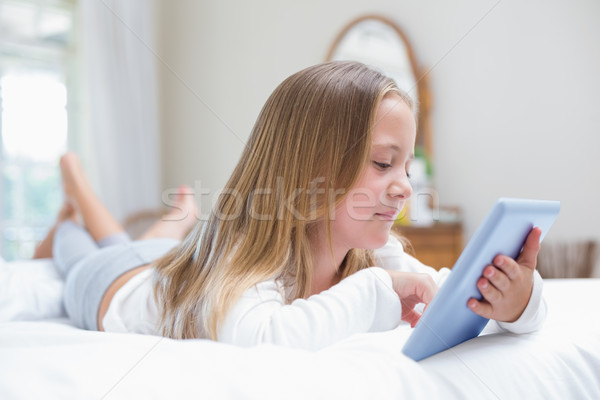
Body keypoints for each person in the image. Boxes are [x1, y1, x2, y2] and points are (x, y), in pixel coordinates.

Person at [39, 61, 546, 350]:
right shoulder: (247, 251)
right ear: (312, 173)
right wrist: (379, 291)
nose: (404, 188)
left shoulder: (373, 251)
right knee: (85, 249)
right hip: (110, 286)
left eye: (407, 168)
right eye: (382, 164)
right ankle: (74, 197)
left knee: (150, 246)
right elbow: (260, 339)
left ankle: (177, 222)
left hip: (169, 268)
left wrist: (515, 301)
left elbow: (443, 292)